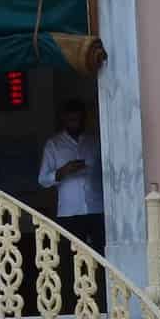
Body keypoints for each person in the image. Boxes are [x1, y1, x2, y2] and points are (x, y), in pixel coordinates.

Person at [37, 101, 106, 252]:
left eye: (78, 120)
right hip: (69, 212)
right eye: (71, 120)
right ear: (64, 120)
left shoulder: (95, 142)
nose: (75, 124)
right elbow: (42, 180)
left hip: (97, 209)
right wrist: (63, 171)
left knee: (100, 252)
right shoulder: (53, 145)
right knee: (73, 255)